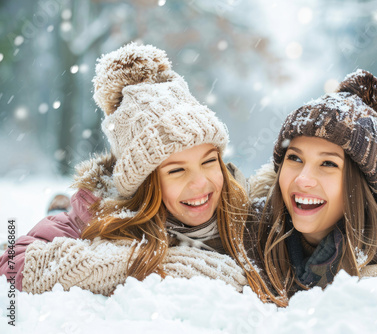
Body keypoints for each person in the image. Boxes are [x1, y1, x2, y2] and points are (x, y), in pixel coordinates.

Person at [0, 42, 269, 297]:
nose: (201, 183)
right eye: (177, 171)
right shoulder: (96, 214)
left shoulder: (241, 207)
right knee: (62, 224)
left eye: (209, 161)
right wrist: (157, 260)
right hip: (84, 227)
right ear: (145, 184)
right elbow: (11, 264)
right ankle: (57, 212)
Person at [247, 70, 377, 325]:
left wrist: (343, 281)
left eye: (327, 163)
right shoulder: (258, 216)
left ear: (358, 184)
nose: (303, 179)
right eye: (294, 158)